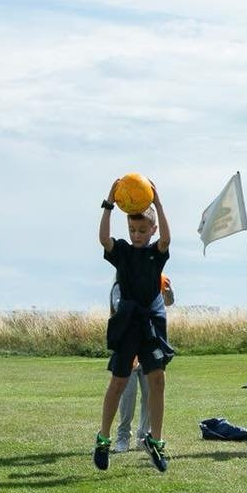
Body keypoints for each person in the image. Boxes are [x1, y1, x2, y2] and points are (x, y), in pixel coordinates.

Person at [95, 179, 173, 472]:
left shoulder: (157, 253)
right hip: (127, 324)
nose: (136, 235)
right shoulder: (123, 252)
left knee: (158, 382)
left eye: (142, 230)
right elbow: (104, 239)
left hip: (150, 325)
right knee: (118, 383)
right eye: (132, 230)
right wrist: (109, 204)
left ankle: (156, 441)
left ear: (151, 230)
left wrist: (160, 204)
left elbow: (167, 238)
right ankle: (103, 439)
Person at [111, 275, 175, 453]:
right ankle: (123, 437)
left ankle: (143, 436)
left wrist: (167, 294)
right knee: (127, 397)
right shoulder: (120, 284)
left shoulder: (159, 280)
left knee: (150, 395)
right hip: (128, 348)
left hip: (150, 345)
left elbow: (169, 302)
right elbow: (118, 306)